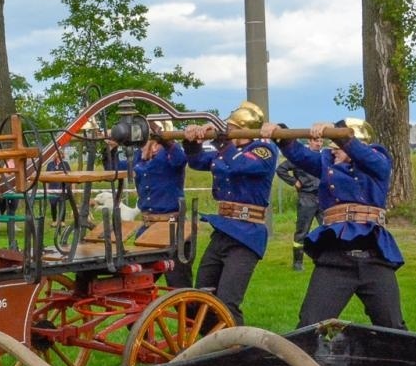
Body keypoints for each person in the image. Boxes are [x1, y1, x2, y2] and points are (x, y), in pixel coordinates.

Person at [263, 118, 406, 330]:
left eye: (336, 144)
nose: (332, 149)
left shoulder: (378, 160)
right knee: (309, 325)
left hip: (374, 256)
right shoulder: (327, 163)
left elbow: (365, 156)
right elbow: (300, 154)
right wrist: (279, 133)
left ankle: (399, 363)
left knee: (392, 327)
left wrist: (338, 136)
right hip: (335, 258)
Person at [179, 102, 277, 325]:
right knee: (201, 295)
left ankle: (237, 349)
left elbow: (240, 166)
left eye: (230, 127)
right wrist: (192, 141)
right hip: (223, 231)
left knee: (227, 302)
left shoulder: (264, 151)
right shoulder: (225, 151)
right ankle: (210, 345)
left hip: (247, 235)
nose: (226, 130)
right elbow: (196, 161)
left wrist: (222, 142)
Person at [106, 123, 190, 287]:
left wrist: (165, 140)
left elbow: (181, 159)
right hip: (148, 227)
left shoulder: (170, 153)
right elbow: (114, 169)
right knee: (138, 282)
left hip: (172, 226)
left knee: (178, 284)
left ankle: (191, 312)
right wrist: (112, 148)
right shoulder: (140, 155)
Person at [276, 140, 323, 271]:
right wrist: (293, 181)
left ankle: (325, 259)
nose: (318, 144)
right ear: (309, 141)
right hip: (306, 197)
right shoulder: (302, 157)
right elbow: (280, 169)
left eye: (320, 141)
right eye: (316, 141)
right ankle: (298, 262)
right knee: (302, 231)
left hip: (323, 197)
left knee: (328, 229)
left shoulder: (323, 157)